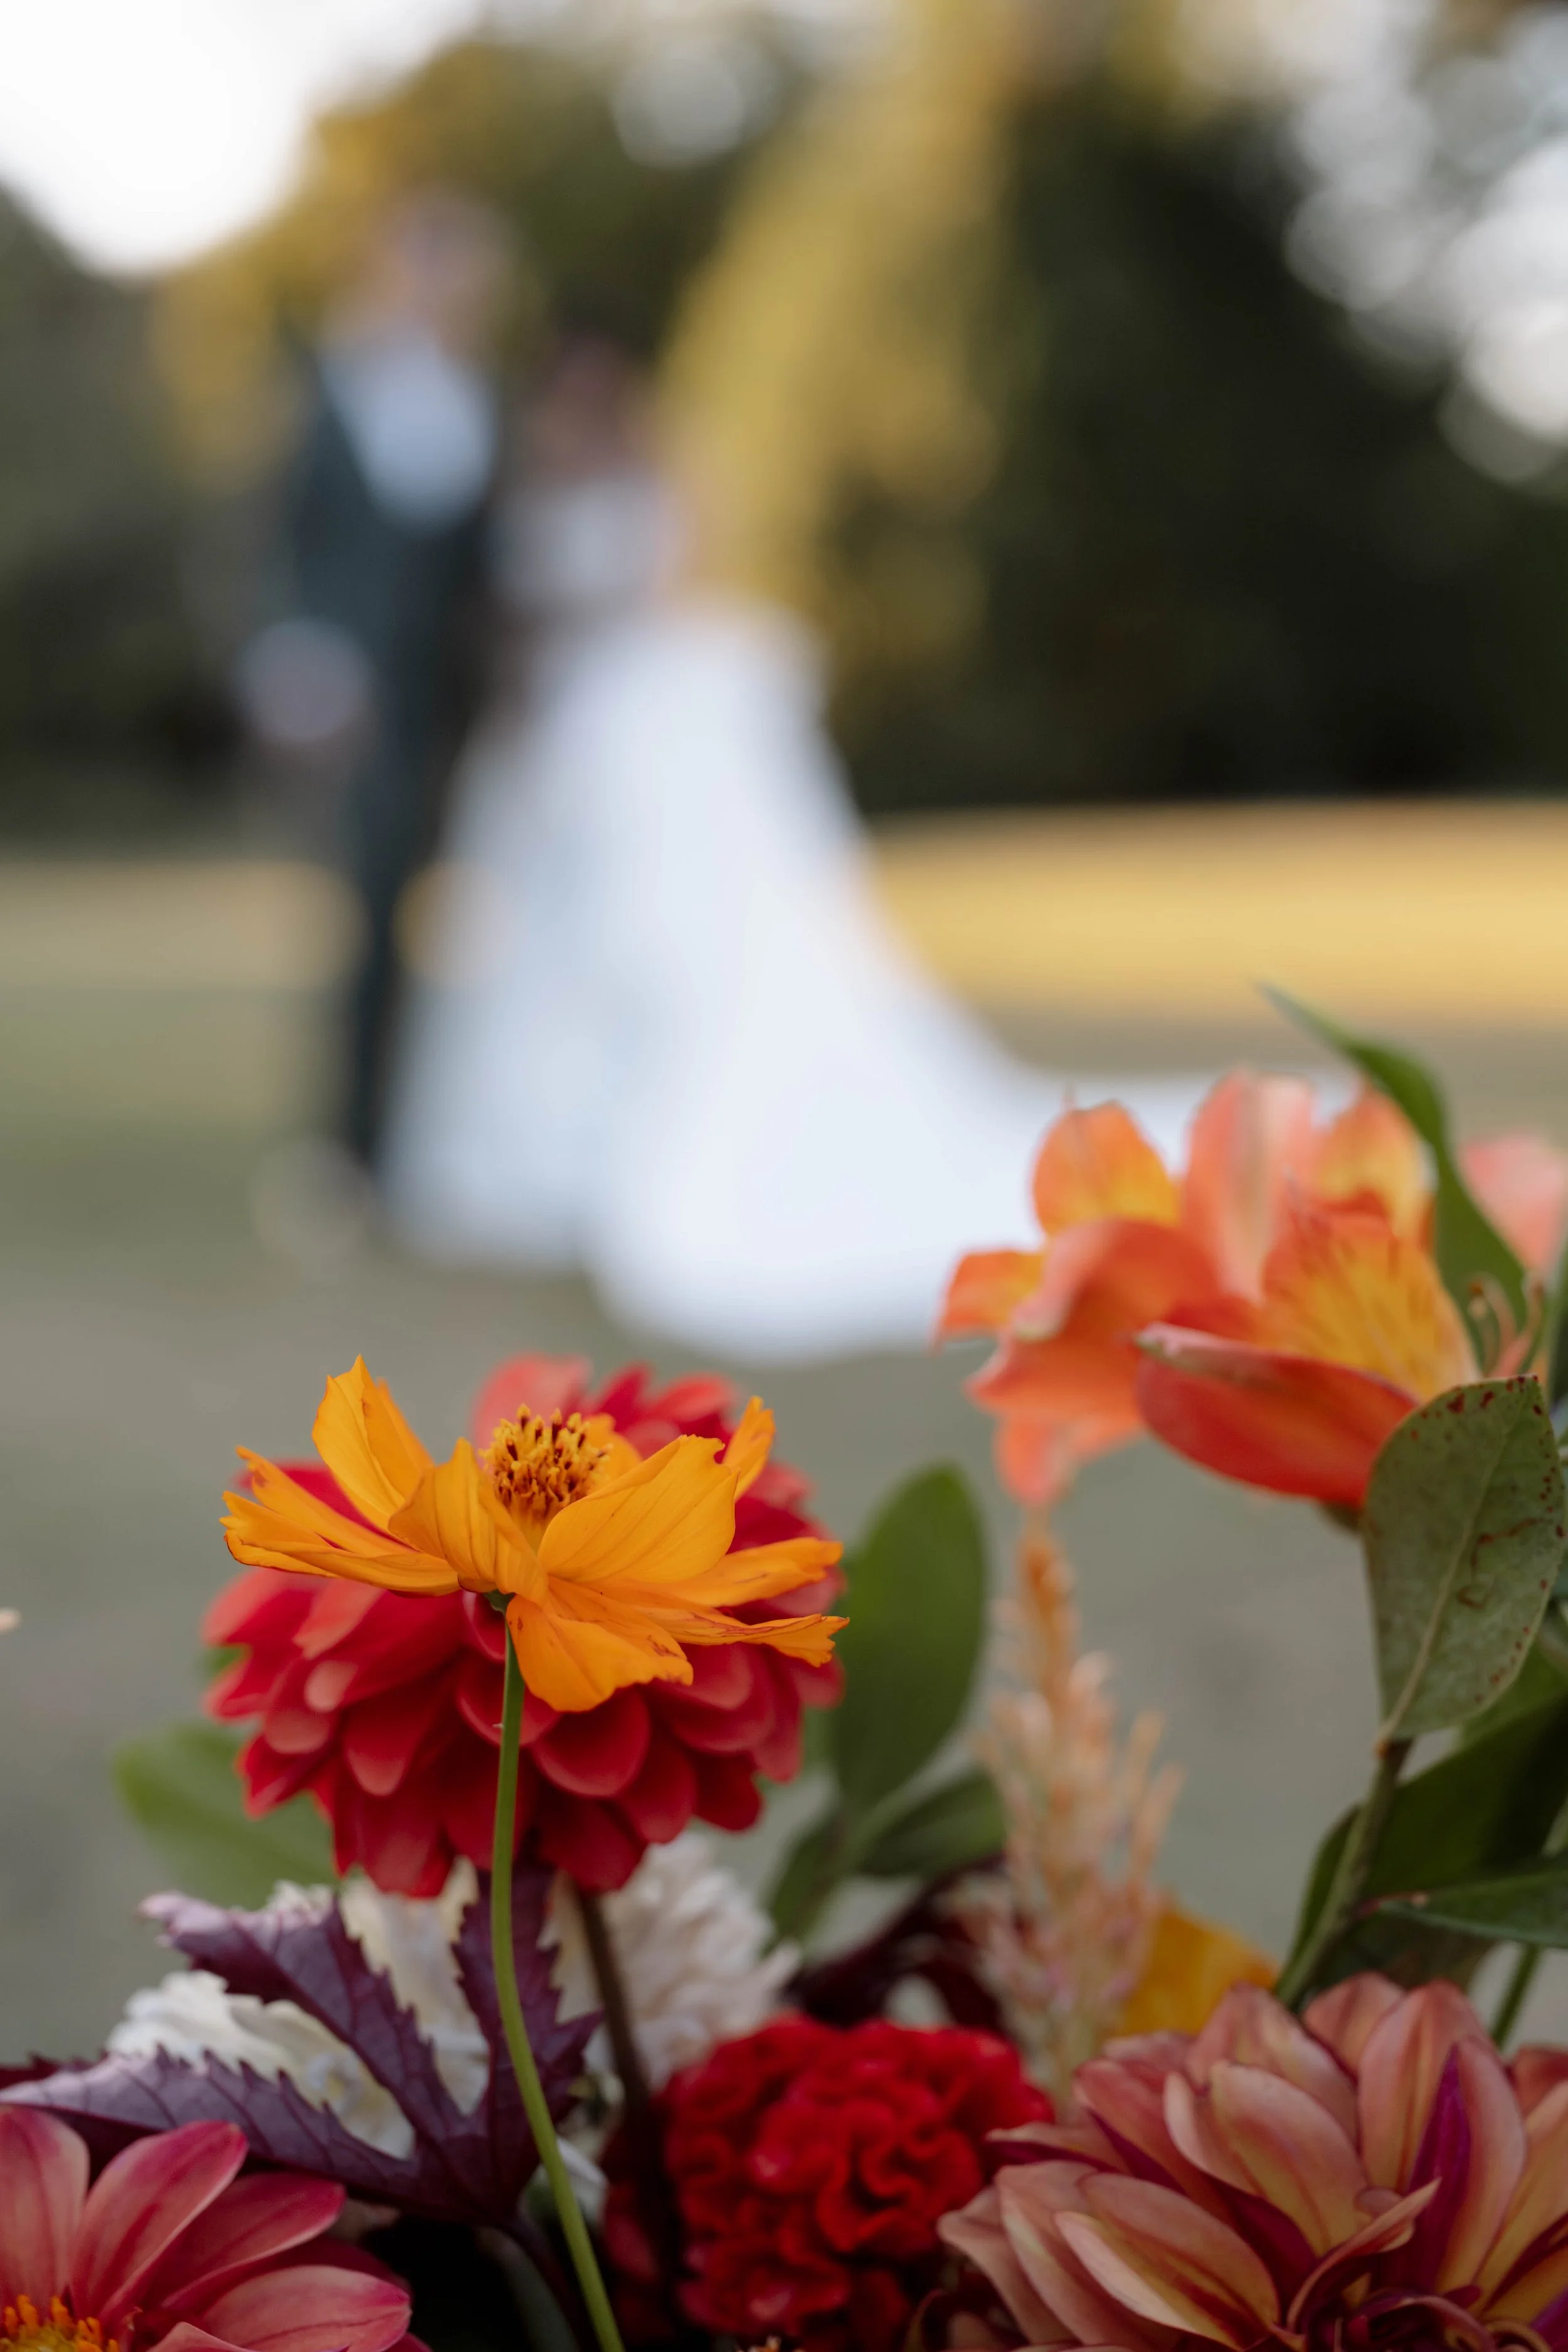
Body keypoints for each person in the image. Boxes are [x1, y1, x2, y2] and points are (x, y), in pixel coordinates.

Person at [383, 340, 1202, 1360]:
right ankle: (554, 1163)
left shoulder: (656, 485)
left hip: (613, 718)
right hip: (555, 741)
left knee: (656, 942)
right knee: (547, 959)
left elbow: (670, 580)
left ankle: (614, 1155)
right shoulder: (518, 492)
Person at [240, 189, 507, 1168]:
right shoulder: (337, 386)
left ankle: (448, 1139)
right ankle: (355, 1143)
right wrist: (294, 666)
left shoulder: (487, 395)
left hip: (468, 700)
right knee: (375, 904)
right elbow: (287, 539)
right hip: (362, 701)